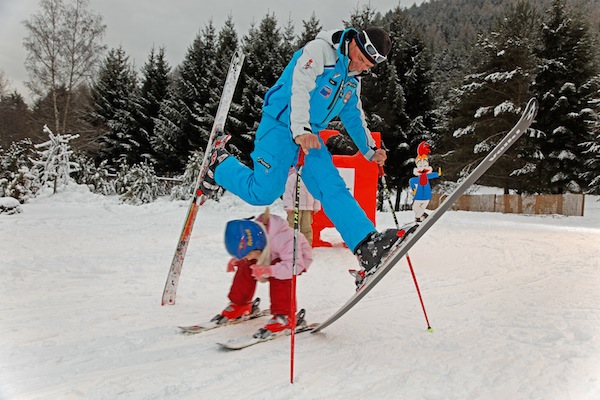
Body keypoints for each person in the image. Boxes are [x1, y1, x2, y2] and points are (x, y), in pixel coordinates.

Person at [202, 27, 402, 288]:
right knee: (263, 193)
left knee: (332, 187)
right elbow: (300, 88)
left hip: (310, 134)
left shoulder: (353, 78)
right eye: (361, 58)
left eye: (367, 65)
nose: (361, 66)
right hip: (280, 125)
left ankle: (366, 245)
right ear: (354, 41)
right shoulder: (320, 52)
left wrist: (370, 150)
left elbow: (353, 115)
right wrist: (300, 130)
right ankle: (220, 164)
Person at [210, 209, 312, 337]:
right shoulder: (256, 235)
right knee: (246, 264)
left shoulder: (285, 238)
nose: (247, 257)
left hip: (296, 260)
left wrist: (270, 270)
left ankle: (284, 316)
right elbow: (248, 250)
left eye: (248, 254)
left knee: (278, 273)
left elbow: (294, 265)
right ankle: (240, 304)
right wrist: (237, 259)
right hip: (269, 255)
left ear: (258, 244)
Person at [282, 167, 321, 246]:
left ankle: (306, 247)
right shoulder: (292, 178)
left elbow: (316, 193)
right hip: (294, 208)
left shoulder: (311, 179)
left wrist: (316, 205)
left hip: (308, 208)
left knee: (306, 228)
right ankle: (289, 246)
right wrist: (288, 206)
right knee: (291, 227)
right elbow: (287, 193)